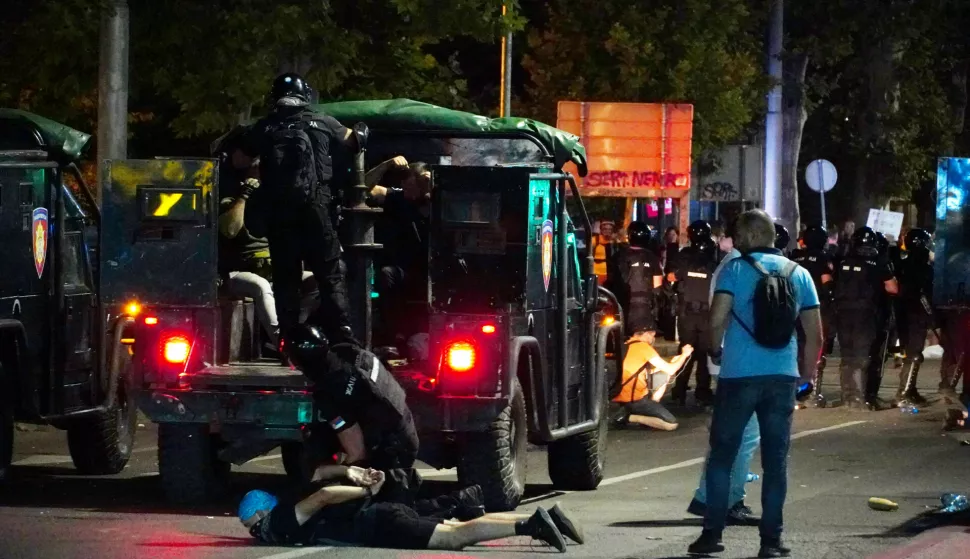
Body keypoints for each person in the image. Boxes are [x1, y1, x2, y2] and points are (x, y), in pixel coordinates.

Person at [688, 209, 822, 558]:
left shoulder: (734, 270)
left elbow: (717, 320)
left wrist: (715, 350)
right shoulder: (800, 274)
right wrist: (806, 375)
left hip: (738, 375)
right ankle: (771, 542)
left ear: (747, 238)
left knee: (722, 456)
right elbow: (815, 333)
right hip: (782, 375)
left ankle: (711, 536)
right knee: (776, 462)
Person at [235, 72, 357, 347]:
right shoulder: (324, 121)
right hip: (318, 210)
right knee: (329, 276)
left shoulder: (266, 127)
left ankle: (289, 342)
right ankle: (344, 339)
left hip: (281, 215)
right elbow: (355, 141)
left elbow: (239, 159)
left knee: (286, 280)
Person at [238, 467, 584, 551]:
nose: (251, 529)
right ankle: (546, 517)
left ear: (261, 511)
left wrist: (359, 486)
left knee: (453, 538)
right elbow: (319, 475)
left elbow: (324, 493)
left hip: (378, 525)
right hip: (382, 515)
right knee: (457, 524)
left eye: (249, 520)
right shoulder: (289, 506)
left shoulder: (282, 520)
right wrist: (350, 471)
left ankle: (531, 525)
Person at [284, 322, 423, 506]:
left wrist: (338, 481)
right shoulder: (347, 351)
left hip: (393, 451)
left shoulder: (330, 391)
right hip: (403, 427)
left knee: (371, 512)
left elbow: (357, 452)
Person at [687, 219, 760, 527]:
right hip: (740, 363)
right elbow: (719, 318)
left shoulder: (730, 267)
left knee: (731, 435)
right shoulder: (739, 269)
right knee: (744, 436)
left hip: (732, 361)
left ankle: (708, 497)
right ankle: (729, 501)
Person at [367, 159, 433, 351]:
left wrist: (432, 184)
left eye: (411, 185)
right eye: (404, 186)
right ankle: (394, 334)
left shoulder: (442, 199)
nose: (407, 191)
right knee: (387, 274)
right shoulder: (399, 199)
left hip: (436, 270)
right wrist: (385, 165)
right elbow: (363, 187)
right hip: (407, 270)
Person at [833, 227, 899, 410]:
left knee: (847, 355)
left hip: (843, 313)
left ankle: (848, 396)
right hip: (867, 315)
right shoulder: (879, 262)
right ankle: (861, 398)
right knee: (863, 356)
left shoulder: (842, 260)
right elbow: (892, 288)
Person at [667, 220, 717, 407]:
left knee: (685, 351)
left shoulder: (684, 255)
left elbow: (671, 277)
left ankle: (679, 389)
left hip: (687, 312)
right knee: (704, 354)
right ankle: (702, 391)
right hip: (706, 313)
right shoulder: (714, 257)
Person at [612, 328, 692, 431]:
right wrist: (684, 355)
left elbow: (647, 371)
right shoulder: (642, 347)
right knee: (671, 424)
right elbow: (671, 370)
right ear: (646, 333)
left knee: (663, 373)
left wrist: (673, 361)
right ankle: (627, 417)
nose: (654, 339)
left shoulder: (627, 344)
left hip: (620, 393)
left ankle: (649, 408)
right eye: (653, 335)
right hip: (634, 399)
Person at [791, 225, 835, 407]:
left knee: (797, 348)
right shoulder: (822, 258)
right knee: (816, 348)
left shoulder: (794, 256)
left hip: (794, 306)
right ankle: (810, 392)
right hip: (815, 307)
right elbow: (827, 283)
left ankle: (793, 389)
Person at [894, 228, 934, 407]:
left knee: (910, 353)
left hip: (902, 312)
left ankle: (910, 389)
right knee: (914, 354)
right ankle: (904, 393)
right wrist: (933, 316)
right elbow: (924, 293)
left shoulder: (902, 264)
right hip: (916, 313)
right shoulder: (923, 267)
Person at [608, 221, 664, 336]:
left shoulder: (618, 255)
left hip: (623, 306)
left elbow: (612, 281)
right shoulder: (652, 257)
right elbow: (657, 286)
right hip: (646, 307)